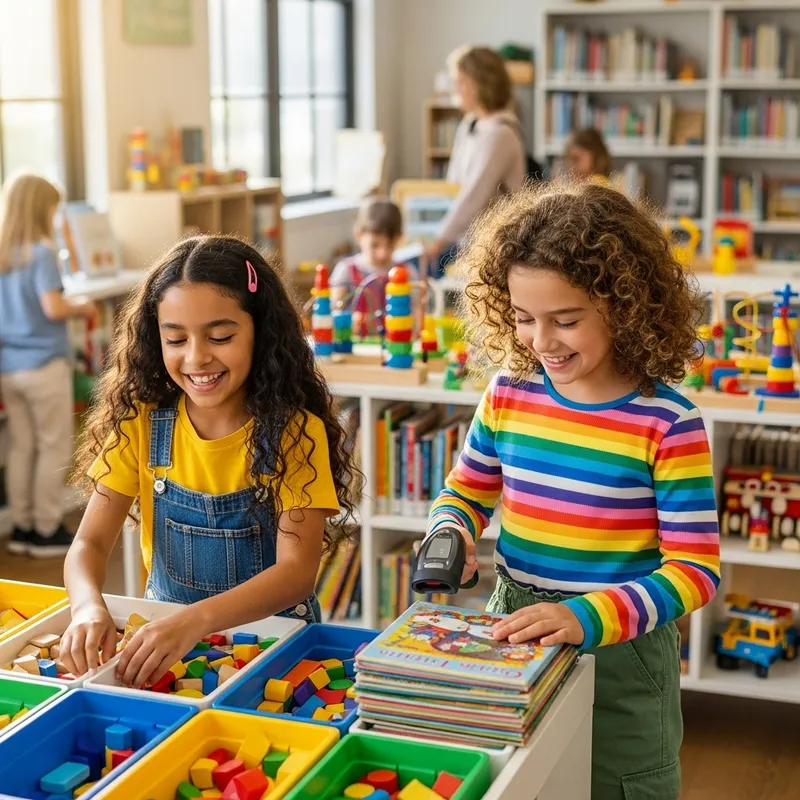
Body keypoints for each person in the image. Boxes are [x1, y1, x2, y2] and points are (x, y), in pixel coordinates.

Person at [426, 180, 720, 800]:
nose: (541, 341)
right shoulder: (509, 392)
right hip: (514, 622)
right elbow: (466, 492)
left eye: (566, 320)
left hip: (623, 653)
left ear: (625, 303)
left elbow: (696, 570)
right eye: (524, 318)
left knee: (621, 786)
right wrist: (450, 530)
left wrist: (585, 617)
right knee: (520, 781)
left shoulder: (668, 423)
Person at [61, 235, 359, 689]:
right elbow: (89, 545)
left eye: (220, 336)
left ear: (261, 330)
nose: (197, 357)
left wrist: (194, 622)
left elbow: (295, 574)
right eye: (175, 339)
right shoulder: (141, 423)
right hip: (168, 651)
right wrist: (86, 605)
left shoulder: (294, 433)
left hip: (275, 652)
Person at [0, 171, 97, 558]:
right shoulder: (41, 252)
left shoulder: (5, 252)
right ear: (44, 209)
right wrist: (83, 306)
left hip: (10, 366)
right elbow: (53, 307)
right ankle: (46, 528)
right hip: (43, 364)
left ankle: (23, 525)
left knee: (22, 446)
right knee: (53, 445)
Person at [424, 45, 527, 267]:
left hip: (496, 245)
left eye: (460, 81)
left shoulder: (501, 133)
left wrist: (438, 240)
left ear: (480, 83)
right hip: (468, 241)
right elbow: (453, 186)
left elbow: (474, 194)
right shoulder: (469, 124)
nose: (455, 88)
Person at [330, 197, 417, 335]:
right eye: (375, 245)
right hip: (355, 350)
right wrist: (349, 321)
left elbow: (416, 314)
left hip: (396, 347)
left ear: (400, 238)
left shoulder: (407, 272)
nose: (383, 253)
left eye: (390, 245)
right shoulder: (345, 270)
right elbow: (334, 311)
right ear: (358, 235)